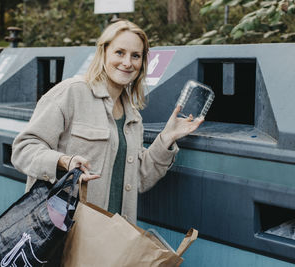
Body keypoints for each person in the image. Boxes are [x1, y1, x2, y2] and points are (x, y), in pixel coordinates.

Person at [11, 19, 203, 224]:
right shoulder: (72, 92)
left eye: (135, 56)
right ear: (103, 53)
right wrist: (63, 161)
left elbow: (137, 179)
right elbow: (23, 150)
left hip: (111, 237)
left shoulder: (133, 116)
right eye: (119, 52)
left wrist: (167, 138)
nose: (127, 62)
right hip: (63, 232)